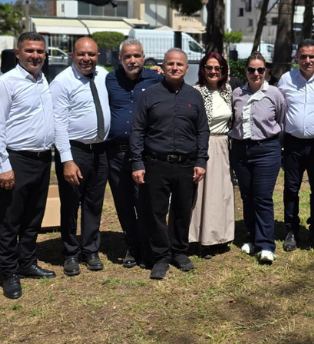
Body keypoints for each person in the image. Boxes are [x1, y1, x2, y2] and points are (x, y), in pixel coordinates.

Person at [0, 32, 57, 300]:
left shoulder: (42, 80)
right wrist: (2, 167)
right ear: (17, 53)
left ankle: (27, 261)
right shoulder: (5, 84)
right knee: (10, 219)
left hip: (42, 159)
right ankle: (8, 271)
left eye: (40, 51)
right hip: (16, 160)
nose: (35, 56)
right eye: (29, 51)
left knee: (34, 215)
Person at [129, 49, 209, 280]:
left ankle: (179, 251)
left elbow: (202, 131)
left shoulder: (194, 96)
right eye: (171, 64)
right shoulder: (149, 95)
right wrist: (137, 162)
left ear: (186, 68)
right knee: (156, 212)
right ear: (163, 67)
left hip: (186, 164)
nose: (175, 68)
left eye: (179, 64)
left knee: (183, 210)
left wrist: (201, 160)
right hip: (156, 163)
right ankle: (161, 256)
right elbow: (138, 130)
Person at [50, 37, 112, 276]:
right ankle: (70, 253)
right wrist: (67, 160)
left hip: (100, 150)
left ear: (98, 56)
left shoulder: (104, 75)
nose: (87, 58)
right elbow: (58, 123)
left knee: (94, 202)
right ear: (72, 55)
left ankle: (90, 250)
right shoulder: (62, 82)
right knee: (70, 203)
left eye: (91, 54)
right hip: (75, 151)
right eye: (81, 54)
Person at [105, 39, 163, 268]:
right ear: (120, 59)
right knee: (124, 203)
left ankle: (147, 247)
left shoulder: (155, 78)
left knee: (144, 202)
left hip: (143, 154)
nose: (132, 60)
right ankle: (132, 246)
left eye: (136, 56)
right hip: (116, 154)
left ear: (143, 57)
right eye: (127, 56)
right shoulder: (109, 80)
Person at [277, 39, 314, 251]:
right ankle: (291, 230)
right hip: (292, 143)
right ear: (297, 58)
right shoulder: (286, 79)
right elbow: (278, 107)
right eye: (303, 56)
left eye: (311, 56)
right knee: (291, 188)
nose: (307, 60)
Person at [229, 52, 286, 264]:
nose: (256, 73)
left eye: (260, 69)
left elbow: (281, 120)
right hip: (241, 150)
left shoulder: (275, 94)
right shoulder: (237, 93)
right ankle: (252, 236)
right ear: (246, 71)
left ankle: (266, 245)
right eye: (252, 69)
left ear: (266, 71)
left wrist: (274, 145)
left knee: (262, 197)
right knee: (247, 196)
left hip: (266, 150)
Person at [189, 52, 235, 257]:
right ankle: (199, 238)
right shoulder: (195, 92)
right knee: (201, 193)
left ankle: (218, 235)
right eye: (209, 67)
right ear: (203, 69)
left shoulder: (228, 91)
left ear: (223, 70)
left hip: (223, 145)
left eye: (218, 68)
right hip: (202, 144)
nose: (213, 71)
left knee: (220, 193)